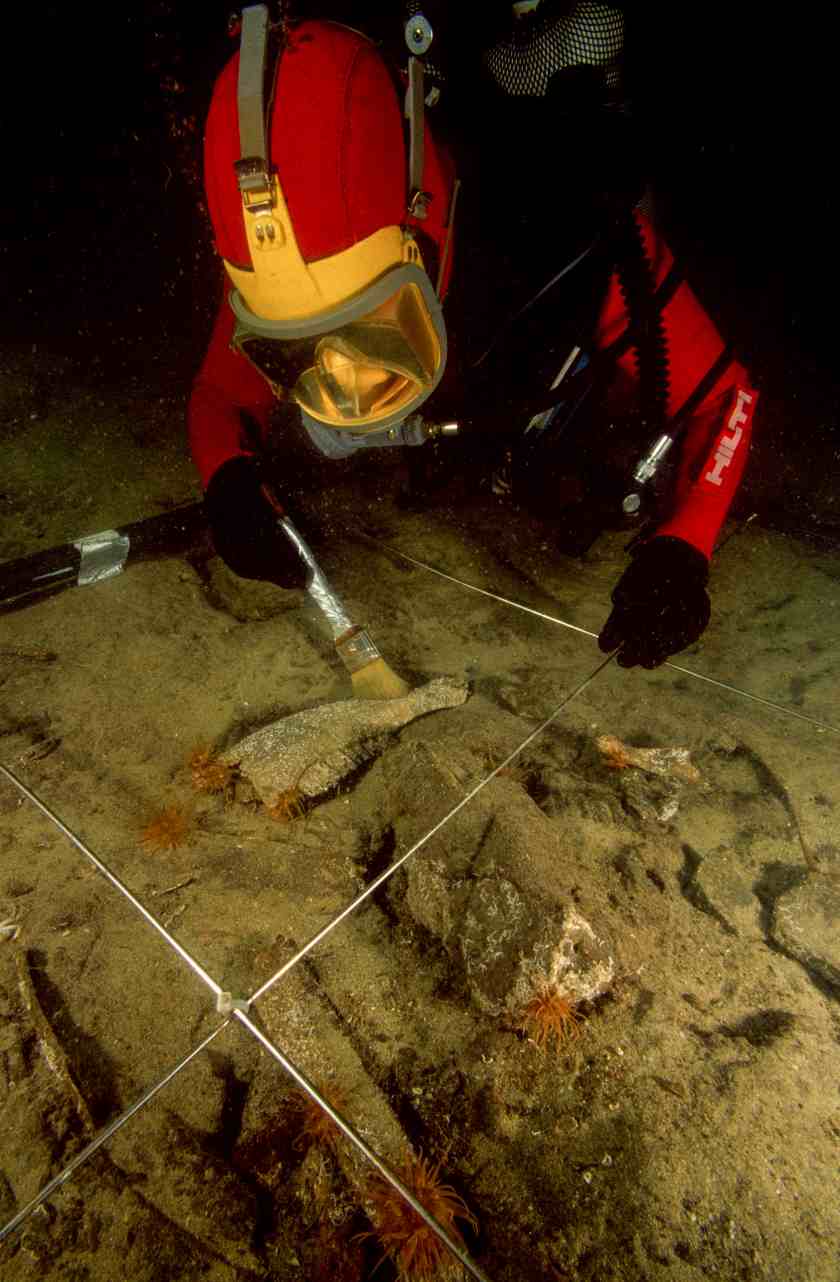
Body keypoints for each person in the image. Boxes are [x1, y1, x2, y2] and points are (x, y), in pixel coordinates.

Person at [189, 2, 758, 670]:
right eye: (288, 350)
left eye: (369, 328)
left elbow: (728, 397)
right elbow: (218, 390)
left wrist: (683, 546)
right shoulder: (291, 265)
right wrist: (227, 484)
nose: (339, 381)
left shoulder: (572, 237)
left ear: (421, 238)